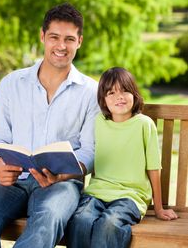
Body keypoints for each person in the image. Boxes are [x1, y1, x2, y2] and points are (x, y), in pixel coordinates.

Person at [0, 3, 99, 248]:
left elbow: (90, 150)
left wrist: (64, 173)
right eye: (54, 37)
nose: (61, 46)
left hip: (61, 184)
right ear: (42, 37)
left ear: (79, 41)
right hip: (11, 180)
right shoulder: (12, 83)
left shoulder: (91, 92)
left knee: (47, 220)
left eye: (69, 39)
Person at [67, 67, 178, 248]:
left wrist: (158, 208)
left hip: (131, 197)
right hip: (97, 193)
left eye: (125, 90)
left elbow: (153, 167)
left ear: (134, 94)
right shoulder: (98, 122)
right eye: (111, 93)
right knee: (80, 220)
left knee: (109, 224)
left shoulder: (144, 124)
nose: (119, 97)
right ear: (103, 100)